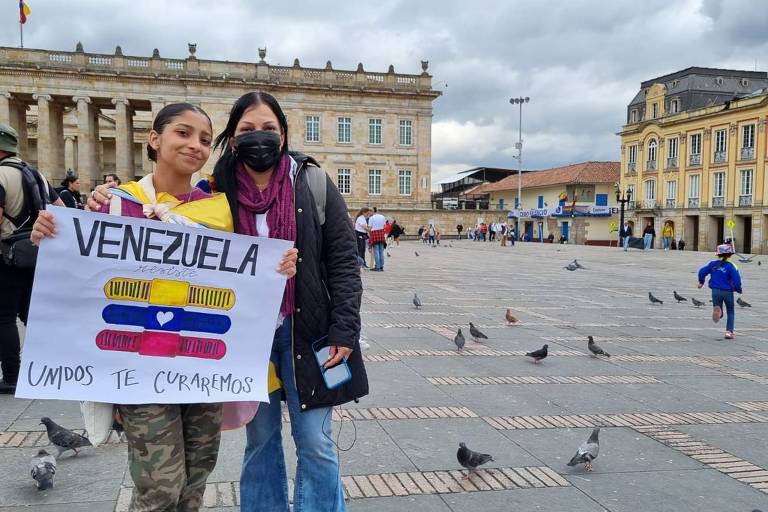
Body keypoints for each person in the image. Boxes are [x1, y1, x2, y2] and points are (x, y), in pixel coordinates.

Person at [34, 103, 299, 510]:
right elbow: (76, 275)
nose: (195, 145)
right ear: (154, 139)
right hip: (139, 369)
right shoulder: (115, 204)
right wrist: (48, 234)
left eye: (206, 140)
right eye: (183, 133)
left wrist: (279, 266)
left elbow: (249, 271)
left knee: (196, 479)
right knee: (159, 488)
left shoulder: (218, 207)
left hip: (203, 365)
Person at [0, 123, 63, 395]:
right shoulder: (36, 174)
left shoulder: (1, 175)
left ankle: (13, 375)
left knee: (3, 318)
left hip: (7, 256)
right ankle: (52, 365)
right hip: (37, 252)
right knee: (32, 314)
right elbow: (62, 210)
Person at [698, 243, 743, 340]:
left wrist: (701, 282)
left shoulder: (712, 264)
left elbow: (702, 272)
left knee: (718, 306)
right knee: (730, 311)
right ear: (730, 255)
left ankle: (719, 312)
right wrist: (738, 289)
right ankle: (729, 332)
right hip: (727, 292)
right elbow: (737, 279)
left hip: (715, 291)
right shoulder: (731, 266)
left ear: (717, 254)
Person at [368, 207, 386, 271]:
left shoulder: (371, 218)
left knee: (376, 251)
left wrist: (370, 235)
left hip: (374, 234)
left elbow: (369, 228)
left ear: (373, 211)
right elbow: (384, 226)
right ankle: (381, 266)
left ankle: (377, 267)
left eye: (370, 211)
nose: (370, 212)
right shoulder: (382, 217)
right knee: (381, 251)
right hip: (381, 233)